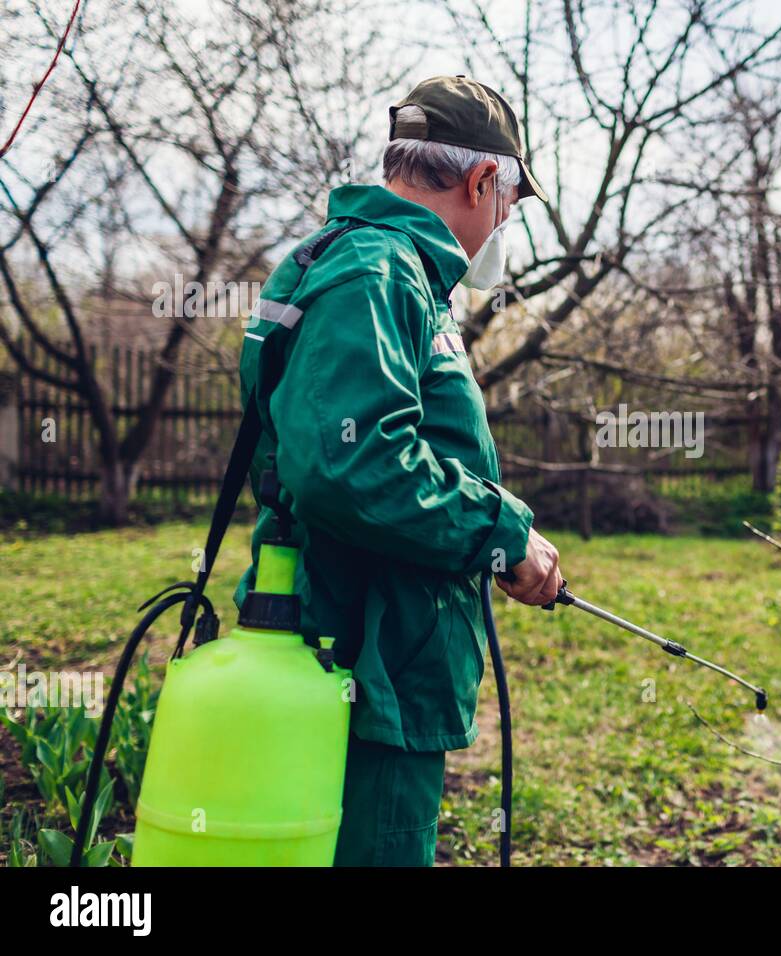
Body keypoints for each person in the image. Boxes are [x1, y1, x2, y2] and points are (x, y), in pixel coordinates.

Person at [235, 75, 561, 866]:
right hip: (368, 661)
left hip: (376, 648)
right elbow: (352, 462)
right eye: (512, 202)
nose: (505, 223)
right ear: (486, 180)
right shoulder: (376, 273)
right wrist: (501, 533)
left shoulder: (374, 266)